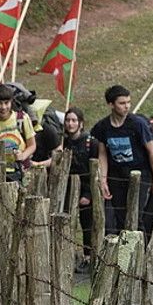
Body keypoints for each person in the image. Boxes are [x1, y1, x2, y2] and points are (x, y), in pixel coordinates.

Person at [92, 84, 153, 235]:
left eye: (128, 102)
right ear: (111, 104)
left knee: (135, 215)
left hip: (139, 173)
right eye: (122, 103)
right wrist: (103, 180)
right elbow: (103, 154)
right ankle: (123, 251)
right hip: (117, 175)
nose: (126, 106)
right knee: (120, 216)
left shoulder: (138, 124)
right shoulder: (103, 127)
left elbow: (151, 152)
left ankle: (140, 253)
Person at [61, 107, 98, 265]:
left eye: (74, 120)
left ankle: (88, 256)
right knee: (67, 221)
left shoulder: (91, 142)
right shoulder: (63, 142)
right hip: (67, 186)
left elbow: (95, 169)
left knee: (87, 223)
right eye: (68, 120)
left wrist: (88, 194)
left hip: (86, 185)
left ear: (81, 123)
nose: (70, 124)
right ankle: (66, 253)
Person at [0, 83, 35, 182]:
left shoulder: (21, 118)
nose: (3, 107)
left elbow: (32, 145)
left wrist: (22, 155)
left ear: (11, 102)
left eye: (6, 102)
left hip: (20, 171)